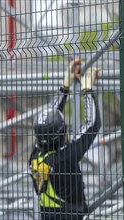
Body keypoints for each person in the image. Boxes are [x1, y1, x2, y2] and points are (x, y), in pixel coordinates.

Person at [29, 58, 101, 220]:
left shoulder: (36, 155)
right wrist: (87, 89)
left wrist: (65, 87)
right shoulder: (64, 158)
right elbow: (92, 123)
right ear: (61, 136)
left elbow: (48, 123)